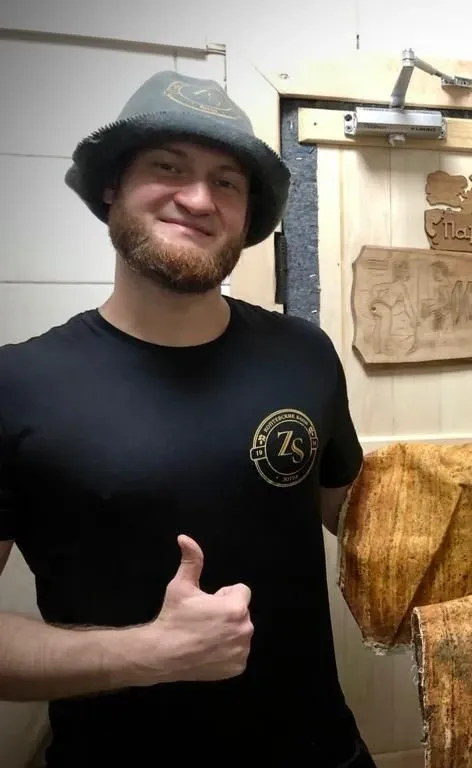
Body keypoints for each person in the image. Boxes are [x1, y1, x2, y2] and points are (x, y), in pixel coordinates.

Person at [0, 71, 375, 767]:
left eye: (226, 182)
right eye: (168, 168)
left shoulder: (303, 353)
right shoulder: (16, 385)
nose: (199, 199)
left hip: (323, 751)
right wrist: (150, 653)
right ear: (112, 186)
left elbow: (356, 517)